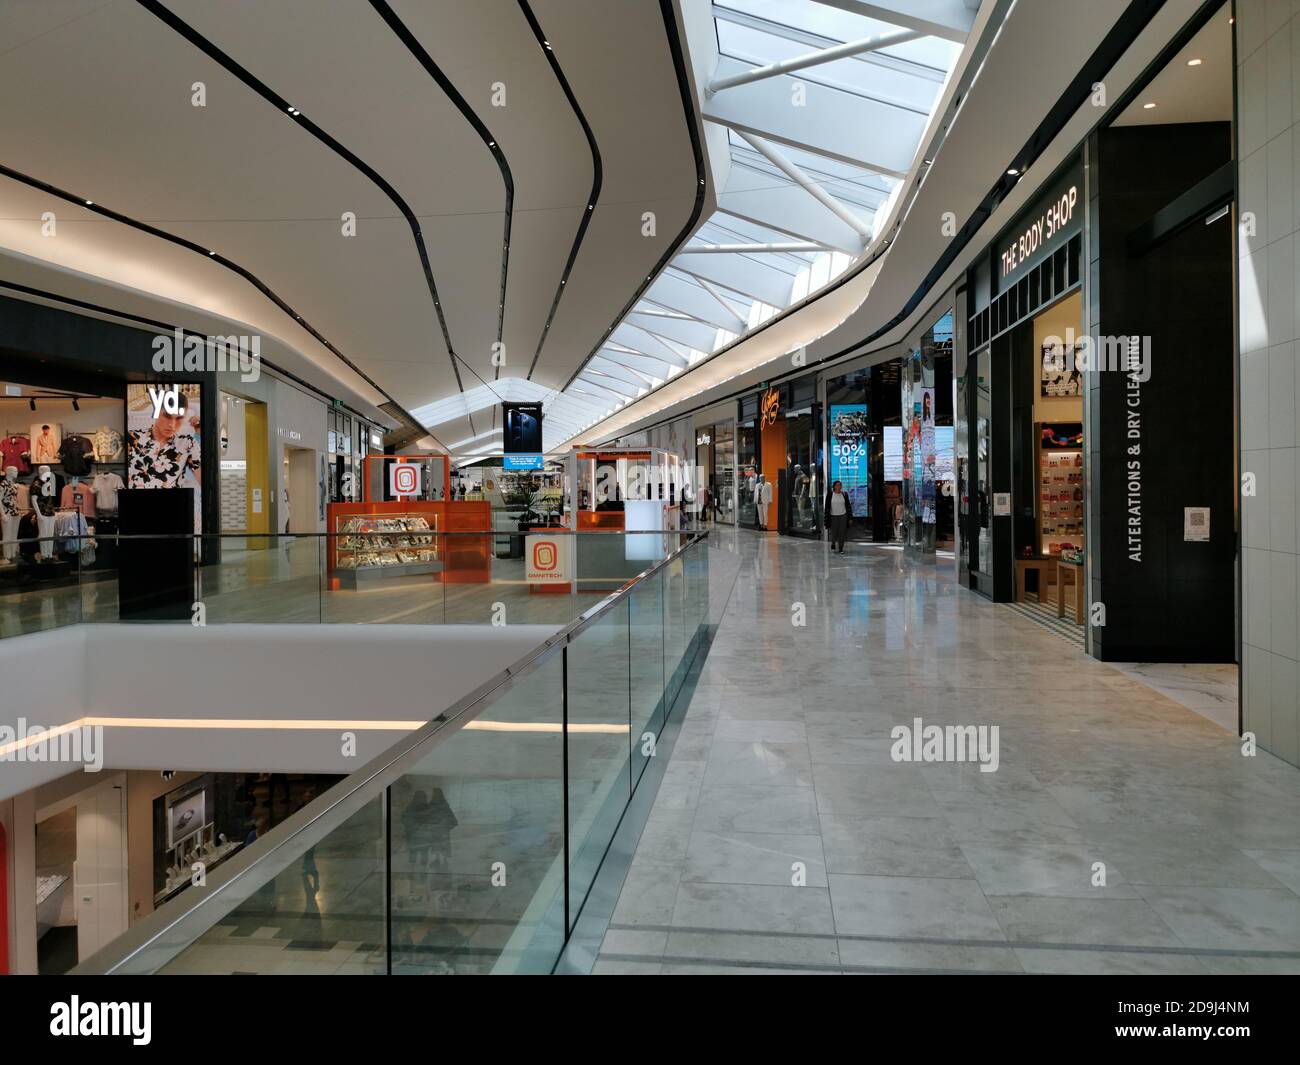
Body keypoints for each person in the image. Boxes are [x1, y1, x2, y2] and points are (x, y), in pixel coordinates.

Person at [825, 479, 852, 553]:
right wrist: (826, 517)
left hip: (843, 515)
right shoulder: (830, 494)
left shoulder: (844, 494)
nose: (839, 486)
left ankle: (840, 548)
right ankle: (833, 542)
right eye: (838, 485)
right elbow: (827, 506)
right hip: (833, 516)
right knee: (834, 532)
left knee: (842, 532)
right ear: (834, 486)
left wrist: (850, 517)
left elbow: (848, 506)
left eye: (840, 485)